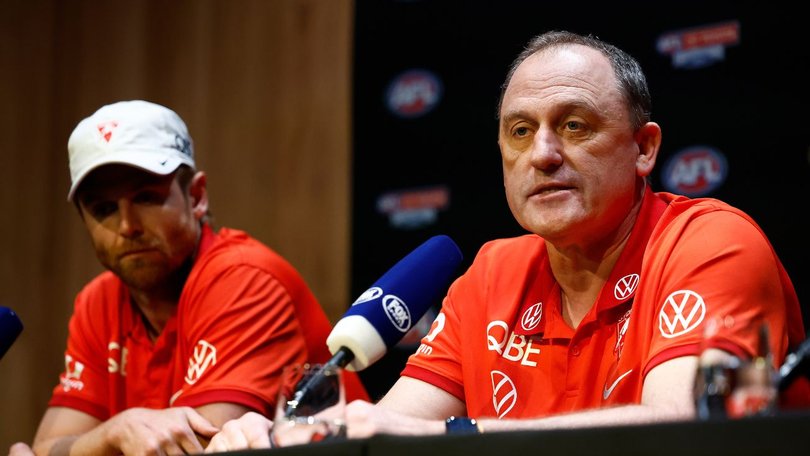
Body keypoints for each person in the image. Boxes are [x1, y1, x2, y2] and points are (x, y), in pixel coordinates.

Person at [203, 30, 808, 451]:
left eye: (575, 125)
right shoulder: (493, 272)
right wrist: (281, 438)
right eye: (520, 131)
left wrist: (456, 438)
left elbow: (682, 429)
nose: (543, 154)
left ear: (644, 148)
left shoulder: (711, 243)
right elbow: (386, 429)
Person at [8, 100, 368, 456]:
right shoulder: (97, 302)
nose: (127, 226)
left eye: (147, 198)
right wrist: (114, 432)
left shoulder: (243, 279)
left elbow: (203, 450)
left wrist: (92, 445)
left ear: (196, 196)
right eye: (103, 209)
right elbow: (46, 447)